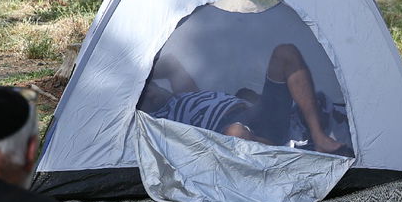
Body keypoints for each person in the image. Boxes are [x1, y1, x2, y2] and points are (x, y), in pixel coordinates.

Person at [138, 43, 350, 155]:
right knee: (235, 132)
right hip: (229, 131)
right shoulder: (158, 122)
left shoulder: (185, 93)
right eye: (146, 99)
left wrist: (139, 79)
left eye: (150, 89)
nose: (152, 96)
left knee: (285, 52)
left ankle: (319, 137)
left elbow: (170, 63)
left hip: (255, 111)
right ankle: (284, 151)